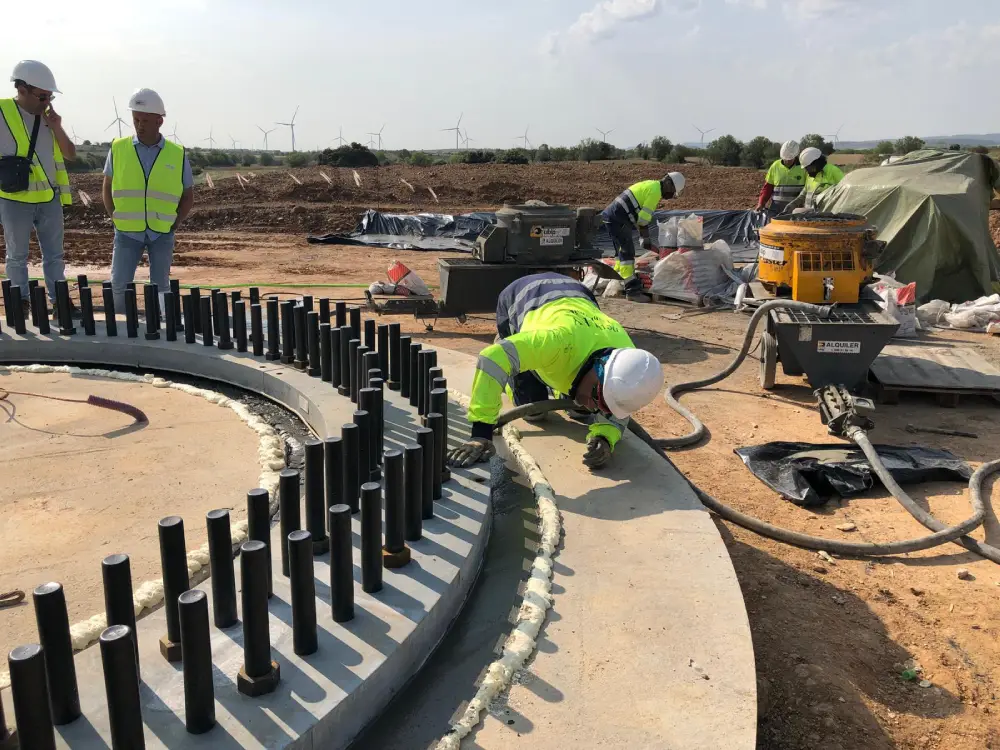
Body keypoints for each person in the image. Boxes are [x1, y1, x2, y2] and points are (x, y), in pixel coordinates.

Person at [447, 272, 664, 470]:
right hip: (524, 295)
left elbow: (616, 404)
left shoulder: (628, 363)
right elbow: (491, 359)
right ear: (598, 370)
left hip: (580, 299)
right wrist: (480, 434)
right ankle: (513, 345)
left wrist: (606, 436)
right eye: (597, 397)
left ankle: (551, 374)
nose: (594, 407)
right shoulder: (558, 341)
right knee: (533, 412)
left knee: (581, 410)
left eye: (603, 405)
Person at [102, 88, 193, 312]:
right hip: (126, 231)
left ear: (159, 121)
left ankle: (162, 323)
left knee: (161, 286)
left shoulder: (177, 153)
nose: (139, 125)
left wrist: (175, 223)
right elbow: (106, 187)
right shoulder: (118, 148)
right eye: (136, 120)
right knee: (119, 285)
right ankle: (120, 323)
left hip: (162, 231)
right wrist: (114, 217)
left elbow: (187, 195)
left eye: (145, 120)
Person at [0, 60, 74, 314]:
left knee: (55, 255)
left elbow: (70, 154)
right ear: (22, 90)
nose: (47, 102)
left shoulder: (48, 118)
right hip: (14, 198)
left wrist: (57, 127)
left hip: (48, 197)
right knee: (16, 256)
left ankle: (60, 301)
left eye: (50, 97)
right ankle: (20, 303)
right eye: (42, 97)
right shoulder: (2, 112)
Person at [601, 172, 685, 300]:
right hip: (618, 218)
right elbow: (643, 220)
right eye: (673, 193)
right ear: (669, 184)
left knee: (621, 250)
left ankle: (617, 279)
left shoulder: (651, 185)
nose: (670, 197)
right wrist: (645, 239)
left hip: (612, 216)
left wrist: (643, 238)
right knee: (627, 252)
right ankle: (632, 291)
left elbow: (636, 213)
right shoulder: (655, 192)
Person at [756, 140, 806, 216]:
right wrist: (761, 203)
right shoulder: (775, 166)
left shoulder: (804, 167)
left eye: (790, 159)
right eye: (785, 158)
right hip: (776, 209)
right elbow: (768, 187)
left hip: (795, 211)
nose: (787, 161)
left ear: (796, 155)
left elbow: (808, 189)